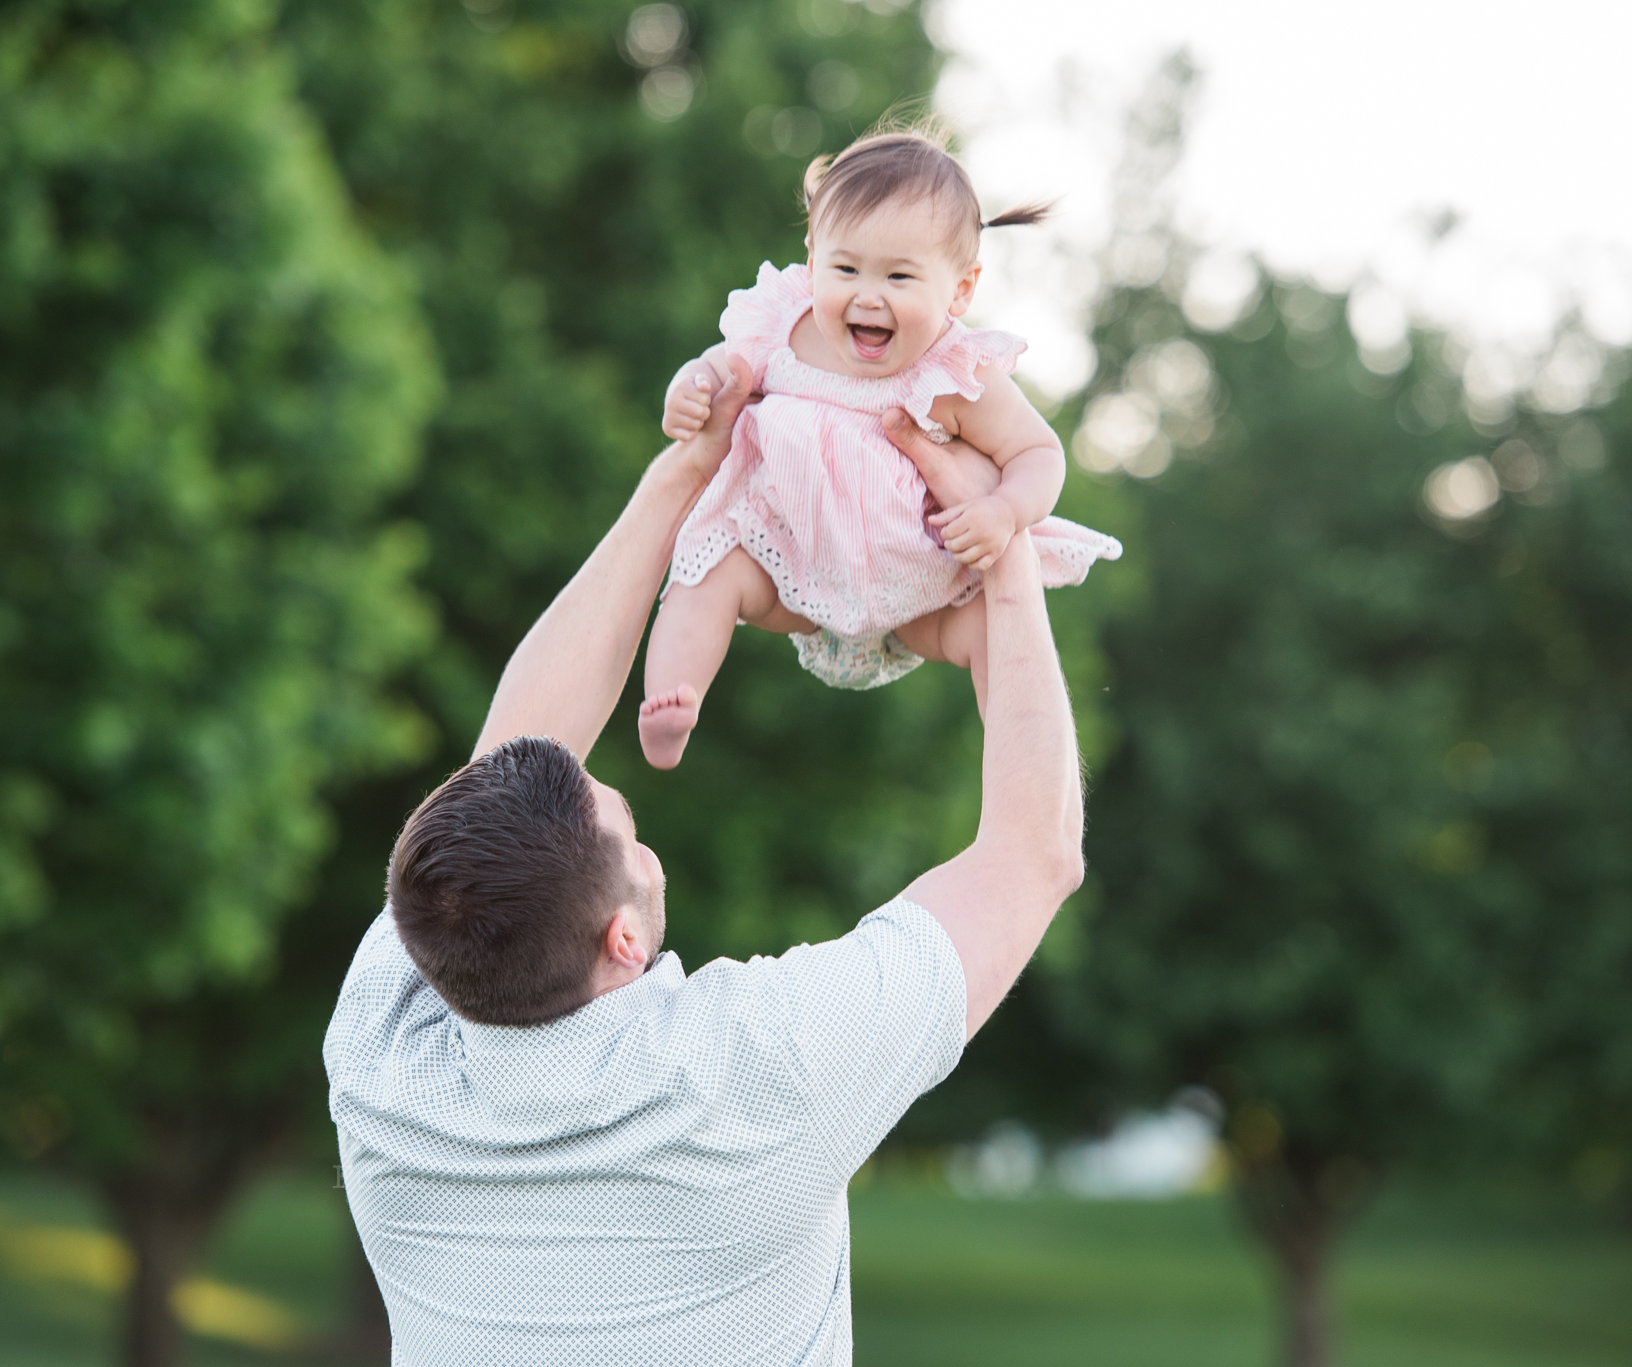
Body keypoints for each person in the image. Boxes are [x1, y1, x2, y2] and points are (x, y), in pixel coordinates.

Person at [324, 356, 1087, 1366]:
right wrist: (1005, 553)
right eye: (629, 829)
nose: (644, 839)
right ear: (622, 935)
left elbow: (492, 792)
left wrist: (692, 464)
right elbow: (1033, 852)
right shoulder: (755, 1071)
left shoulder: (382, 1059)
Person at [637, 125, 1122, 768]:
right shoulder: (783, 329)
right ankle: (673, 702)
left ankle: (1019, 755)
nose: (868, 295)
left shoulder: (954, 375)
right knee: (705, 569)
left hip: (920, 591)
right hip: (787, 565)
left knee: (993, 629)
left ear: (961, 290)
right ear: (811, 260)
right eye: (845, 268)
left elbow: (1040, 453)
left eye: (899, 276)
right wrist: (689, 387)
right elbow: (713, 366)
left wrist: (1004, 511)